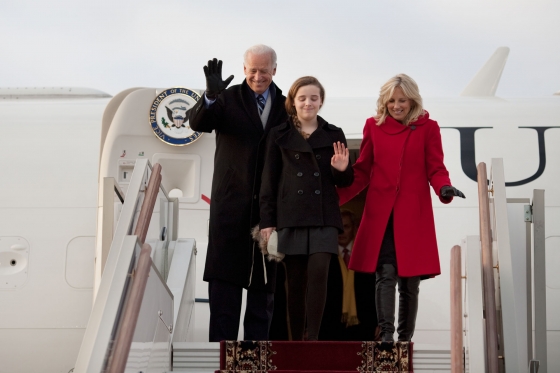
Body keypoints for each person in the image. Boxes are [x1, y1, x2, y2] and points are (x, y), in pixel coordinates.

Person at [337, 74, 465, 342]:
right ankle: (386, 334)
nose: (397, 106)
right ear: (384, 102)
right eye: (391, 100)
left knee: (410, 282)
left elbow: (436, 167)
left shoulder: (429, 127)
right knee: (385, 274)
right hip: (381, 214)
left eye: (402, 100)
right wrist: (335, 197)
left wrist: (444, 187)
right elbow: (362, 171)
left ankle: (405, 338)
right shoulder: (373, 126)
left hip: (413, 215)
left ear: (412, 100)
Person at [189, 44, 288, 342]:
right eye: (253, 70)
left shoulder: (286, 106)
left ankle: (256, 360)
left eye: (264, 70)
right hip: (230, 208)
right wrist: (209, 97)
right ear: (244, 69)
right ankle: (221, 359)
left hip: (269, 214)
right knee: (224, 295)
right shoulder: (226, 98)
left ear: (274, 70)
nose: (258, 76)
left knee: (263, 296)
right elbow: (198, 123)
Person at [259, 76, 353, 341]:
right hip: (291, 216)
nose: (308, 103)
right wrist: (267, 221)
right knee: (296, 282)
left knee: (320, 274)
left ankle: (313, 338)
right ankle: (296, 338)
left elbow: (345, 181)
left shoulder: (334, 134)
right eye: (302, 98)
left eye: (314, 98)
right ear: (293, 102)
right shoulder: (279, 134)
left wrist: (342, 169)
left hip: (324, 216)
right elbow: (270, 181)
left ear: (321, 101)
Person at [319, 210, 378, 341]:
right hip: (330, 325)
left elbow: (376, 291)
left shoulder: (366, 255)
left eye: (346, 227)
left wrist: (380, 322)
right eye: (338, 227)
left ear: (354, 228)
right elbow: (313, 292)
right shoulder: (324, 257)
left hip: (364, 323)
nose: (342, 232)